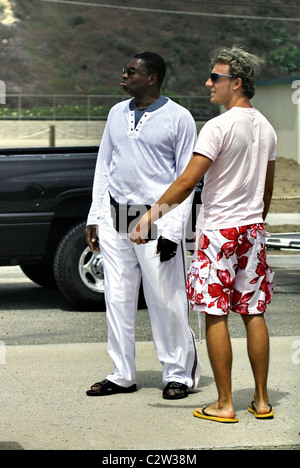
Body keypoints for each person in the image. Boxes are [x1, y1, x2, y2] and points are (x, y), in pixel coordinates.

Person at [130, 46, 276, 422]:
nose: (208, 83)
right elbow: (267, 188)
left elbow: (187, 180)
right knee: (254, 312)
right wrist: (254, 222)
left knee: (215, 315)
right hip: (252, 230)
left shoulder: (218, 126)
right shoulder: (266, 126)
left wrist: (150, 217)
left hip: (219, 231)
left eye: (216, 77)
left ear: (237, 83)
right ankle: (261, 401)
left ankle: (225, 403)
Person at [85, 51, 201, 399]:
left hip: (158, 218)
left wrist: (172, 230)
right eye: (125, 70)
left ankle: (178, 374)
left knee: (166, 300)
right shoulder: (116, 113)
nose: (124, 75)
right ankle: (122, 373)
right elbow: (104, 165)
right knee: (117, 299)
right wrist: (94, 216)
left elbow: (187, 179)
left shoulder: (179, 118)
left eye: (131, 71)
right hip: (116, 216)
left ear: (152, 78)